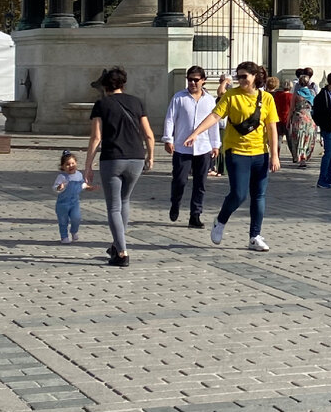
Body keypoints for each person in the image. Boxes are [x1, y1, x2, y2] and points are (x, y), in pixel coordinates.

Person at [183, 62, 279, 250]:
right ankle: (220, 220)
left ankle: (255, 236)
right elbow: (215, 116)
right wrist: (195, 133)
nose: (240, 80)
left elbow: (272, 127)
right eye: (238, 76)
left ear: (254, 77)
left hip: (260, 153)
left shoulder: (266, 98)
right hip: (237, 152)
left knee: (259, 196)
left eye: (244, 76)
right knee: (239, 194)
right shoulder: (231, 95)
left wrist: (274, 154)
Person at [84, 66, 156, 268]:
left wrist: (88, 165)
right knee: (125, 201)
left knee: (114, 206)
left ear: (105, 85)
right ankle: (117, 245)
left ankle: (122, 252)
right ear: (123, 84)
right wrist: (150, 156)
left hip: (112, 159)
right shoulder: (137, 102)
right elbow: (149, 134)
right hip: (136, 158)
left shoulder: (101, 104)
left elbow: (96, 137)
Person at [162, 66, 220, 228]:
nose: (193, 83)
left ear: (203, 81)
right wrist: (168, 139)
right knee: (180, 180)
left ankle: (195, 214)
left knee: (200, 183)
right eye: (190, 80)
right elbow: (170, 119)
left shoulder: (209, 100)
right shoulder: (179, 98)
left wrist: (215, 144)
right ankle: (175, 203)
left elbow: (213, 123)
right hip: (182, 147)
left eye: (196, 80)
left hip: (203, 147)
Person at [53, 149, 95, 243]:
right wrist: (59, 187)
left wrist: (88, 187)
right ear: (63, 167)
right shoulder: (62, 177)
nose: (70, 166)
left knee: (76, 218)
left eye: (72, 163)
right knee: (63, 221)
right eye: (67, 164)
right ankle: (64, 237)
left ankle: (74, 231)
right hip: (62, 204)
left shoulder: (79, 175)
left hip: (74, 202)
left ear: (76, 163)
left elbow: (82, 184)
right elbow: (55, 188)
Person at [287, 67, 317, 166]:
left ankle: (299, 157)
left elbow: (291, 108)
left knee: (298, 138)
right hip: (310, 119)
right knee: (307, 139)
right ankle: (304, 157)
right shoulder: (312, 93)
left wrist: (288, 121)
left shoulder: (296, 94)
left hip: (298, 118)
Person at [272, 78, 294, 155]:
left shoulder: (277, 95)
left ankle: (277, 154)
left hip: (278, 118)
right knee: (290, 139)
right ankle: (294, 155)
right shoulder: (291, 96)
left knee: (278, 138)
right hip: (287, 118)